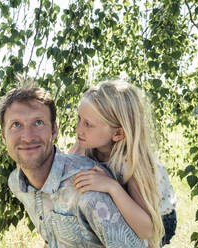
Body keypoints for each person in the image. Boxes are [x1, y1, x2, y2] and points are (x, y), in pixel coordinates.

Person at [0, 83, 147, 248]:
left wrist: (114, 187)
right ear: (3, 136)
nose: (27, 136)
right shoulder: (17, 183)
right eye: (16, 125)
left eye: (38, 122)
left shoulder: (88, 189)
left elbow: (145, 233)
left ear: (54, 131)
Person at [69, 80, 177, 247]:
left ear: (118, 133)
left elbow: (146, 230)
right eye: (79, 119)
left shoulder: (133, 163)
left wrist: (112, 187)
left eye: (88, 124)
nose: (78, 129)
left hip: (158, 218)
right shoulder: (86, 144)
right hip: (131, 208)